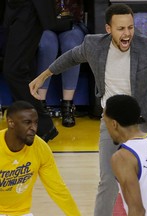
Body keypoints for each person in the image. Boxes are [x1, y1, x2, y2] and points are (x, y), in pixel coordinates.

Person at [29, 3, 147, 215]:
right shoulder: (93, 45)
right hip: (112, 123)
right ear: (109, 29)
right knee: (107, 181)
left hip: (145, 122)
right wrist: (44, 75)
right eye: (121, 29)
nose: (127, 33)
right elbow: (71, 57)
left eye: (130, 27)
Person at [0, 100, 81, 215]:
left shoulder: (40, 148)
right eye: (27, 122)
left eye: (36, 123)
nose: (33, 128)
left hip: (21, 213)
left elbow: (58, 189)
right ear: (11, 123)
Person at [2, 0, 58, 142]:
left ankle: (44, 125)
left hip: (30, 7)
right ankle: (28, 125)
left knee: (14, 69)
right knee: (23, 67)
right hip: (12, 8)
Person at [36, 0, 88, 127]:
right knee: (47, 45)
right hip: (43, 23)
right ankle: (40, 104)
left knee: (72, 46)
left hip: (72, 22)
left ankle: (68, 104)